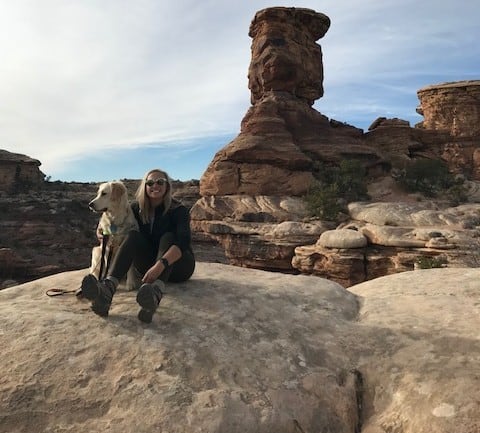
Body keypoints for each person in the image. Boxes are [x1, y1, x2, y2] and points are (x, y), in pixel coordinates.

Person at [80, 168, 195, 323]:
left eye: (160, 182)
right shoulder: (135, 208)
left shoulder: (178, 210)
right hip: (148, 264)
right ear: (144, 186)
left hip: (179, 266)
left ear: (167, 186)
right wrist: (101, 231)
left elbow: (183, 242)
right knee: (133, 234)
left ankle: (155, 293)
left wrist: (160, 265)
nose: (155, 186)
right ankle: (107, 291)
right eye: (150, 183)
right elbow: (114, 218)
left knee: (169, 236)